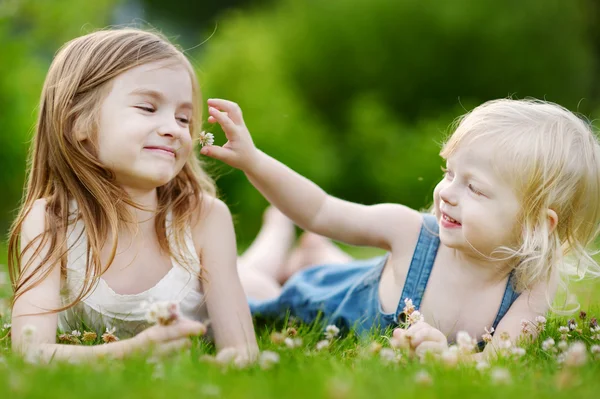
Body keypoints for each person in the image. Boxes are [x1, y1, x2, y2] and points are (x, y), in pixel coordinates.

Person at [202, 97, 600, 356]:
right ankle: (279, 232)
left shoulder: (530, 284)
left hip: (364, 279)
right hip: (315, 299)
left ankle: (315, 252)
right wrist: (253, 160)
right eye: (449, 173)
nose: (446, 192)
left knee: (349, 269)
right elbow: (321, 211)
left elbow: (500, 358)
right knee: (250, 282)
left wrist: (444, 358)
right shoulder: (410, 231)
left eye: (474, 188)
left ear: (538, 226)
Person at [7, 29, 258, 363]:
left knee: (263, 284)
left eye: (183, 118)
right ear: (77, 123)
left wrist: (233, 362)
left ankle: (285, 234)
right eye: (147, 107)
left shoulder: (205, 217)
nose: (174, 128)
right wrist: (133, 352)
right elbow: (29, 353)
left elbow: (242, 351)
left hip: (251, 288)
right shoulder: (51, 220)